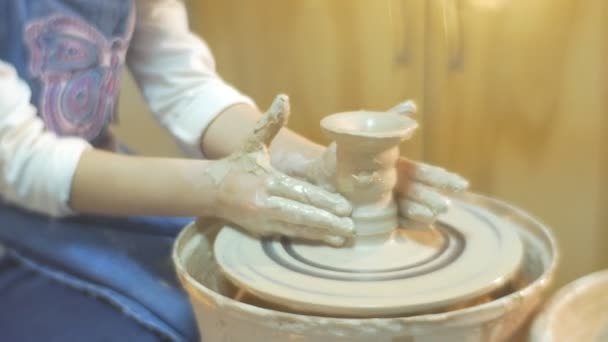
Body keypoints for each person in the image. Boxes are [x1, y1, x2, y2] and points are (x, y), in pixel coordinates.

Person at [0, 0, 468, 341]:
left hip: (91, 178)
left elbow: (182, 84)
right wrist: (215, 189)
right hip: (12, 216)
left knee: (249, 295)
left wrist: (316, 164)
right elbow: (20, 160)